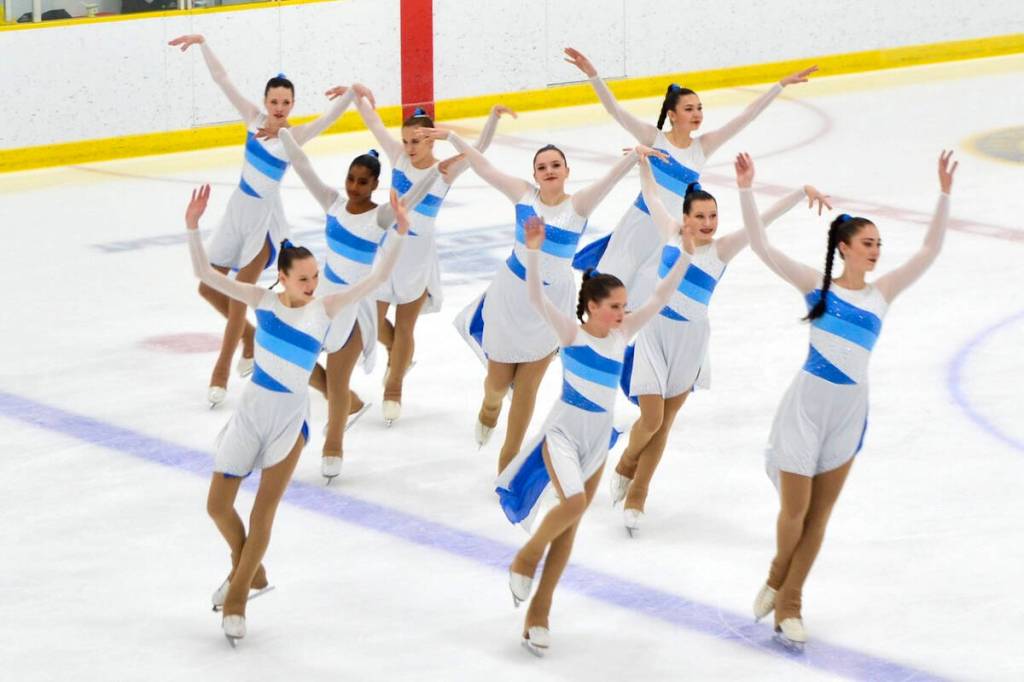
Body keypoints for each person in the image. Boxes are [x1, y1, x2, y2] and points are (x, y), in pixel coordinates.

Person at [735, 150, 957, 649]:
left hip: (850, 413)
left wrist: (943, 195)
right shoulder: (817, 290)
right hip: (806, 408)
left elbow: (929, 250)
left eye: (879, 244)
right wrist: (746, 189)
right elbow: (760, 244)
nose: (875, 251)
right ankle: (777, 575)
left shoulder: (883, 293)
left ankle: (790, 604)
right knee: (795, 511)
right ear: (844, 248)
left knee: (820, 516)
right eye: (867, 243)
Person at [184, 183, 410, 645]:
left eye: (315, 277)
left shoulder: (326, 308)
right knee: (217, 506)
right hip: (251, 414)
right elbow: (205, 273)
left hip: (290, 421)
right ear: (283, 278)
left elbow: (376, 278)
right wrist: (192, 226)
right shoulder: (261, 301)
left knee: (262, 514)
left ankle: (238, 598)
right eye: (304, 279)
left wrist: (401, 233)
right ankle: (252, 570)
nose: (312, 285)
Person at [496, 187, 693, 655]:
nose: (624, 312)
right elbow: (536, 297)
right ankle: (525, 557)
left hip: (597, 439)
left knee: (571, 525)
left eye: (624, 306)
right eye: (616, 306)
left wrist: (684, 254)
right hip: (564, 432)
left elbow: (662, 294)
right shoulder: (572, 333)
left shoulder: (623, 333)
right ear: (593, 307)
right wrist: (534, 252)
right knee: (575, 503)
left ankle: (539, 612)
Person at [611, 161, 832, 535]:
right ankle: (626, 462)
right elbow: (650, 194)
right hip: (654, 333)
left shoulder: (722, 250)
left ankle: (638, 496)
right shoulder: (670, 232)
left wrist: (799, 193)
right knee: (650, 419)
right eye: (700, 216)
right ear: (685, 217)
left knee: (664, 423)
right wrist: (643, 161)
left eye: (713, 216)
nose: (708, 223)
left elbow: (761, 222)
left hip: (690, 342)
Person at [419, 126, 652, 471]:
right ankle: (490, 406)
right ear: (534, 175)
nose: (549, 170)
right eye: (542, 167)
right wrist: (452, 137)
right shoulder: (524, 195)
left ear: (567, 171)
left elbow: (609, 181)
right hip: (511, 297)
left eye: (556, 165)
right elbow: (484, 167)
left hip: (551, 304)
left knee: (528, 389)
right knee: (497, 384)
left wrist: (634, 157)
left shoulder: (579, 205)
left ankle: (507, 461)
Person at [169, 34, 359, 405]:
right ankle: (248, 338)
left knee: (240, 295)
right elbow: (223, 80)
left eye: (286, 102)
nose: (279, 107)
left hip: (264, 221)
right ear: (265, 101)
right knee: (208, 287)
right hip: (237, 210)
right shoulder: (252, 119)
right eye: (274, 101)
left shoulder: (294, 136)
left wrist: (352, 92)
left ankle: (220, 372)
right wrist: (204, 43)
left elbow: (329, 118)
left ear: (292, 104)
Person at [563, 46, 816, 307]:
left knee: (640, 300)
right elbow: (615, 110)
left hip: (669, 234)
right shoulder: (654, 138)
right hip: (638, 225)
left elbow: (745, 117)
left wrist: (779, 85)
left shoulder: (702, 147)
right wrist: (593, 75)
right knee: (608, 288)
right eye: (689, 109)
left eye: (699, 108)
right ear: (672, 115)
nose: (697, 114)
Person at [345, 87, 516, 423]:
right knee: (370, 320)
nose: (409, 147)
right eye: (406, 141)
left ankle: (394, 388)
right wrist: (354, 95)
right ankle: (398, 355)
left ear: (431, 141)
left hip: (417, 255)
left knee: (405, 326)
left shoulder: (445, 170)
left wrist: (492, 119)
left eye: (416, 141)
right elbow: (372, 122)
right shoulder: (397, 157)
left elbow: (478, 150)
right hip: (387, 248)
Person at [279, 128, 440, 479]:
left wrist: (433, 174)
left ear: (375, 184)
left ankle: (333, 445)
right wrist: (284, 135)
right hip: (321, 297)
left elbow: (410, 200)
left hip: (354, 304)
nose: (354, 186)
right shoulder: (334, 204)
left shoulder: (379, 216)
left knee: (337, 379)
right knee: (292, 356)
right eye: (351, 179)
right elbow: (303, 166)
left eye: (363, 182)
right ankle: (349, 404)